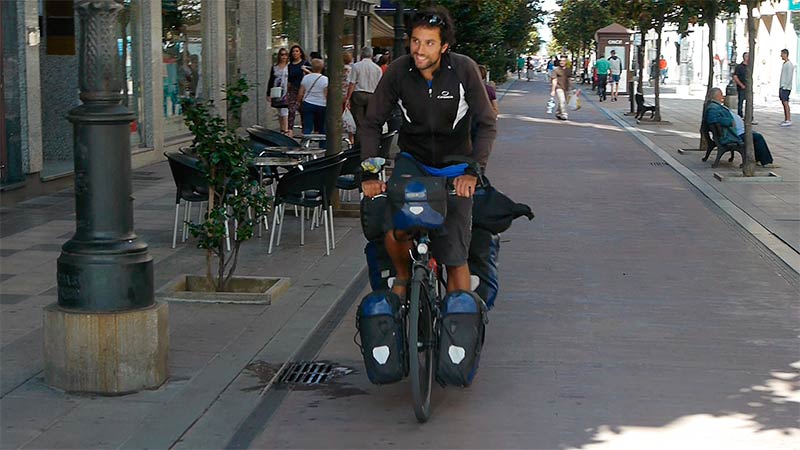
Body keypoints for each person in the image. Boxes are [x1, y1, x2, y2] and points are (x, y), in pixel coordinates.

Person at [360, 6, 497, 298]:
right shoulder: (398, 70)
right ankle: (403, 275)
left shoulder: (463, 70)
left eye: (430, 43)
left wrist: (474, 171)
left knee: (455, 252)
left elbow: (487, 123)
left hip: (455, 167)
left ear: (444, 46)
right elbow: (372, 122)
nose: (419, 50)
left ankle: (456, 323)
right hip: (414, 161)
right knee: (394, 231)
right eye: (416, 41)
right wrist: (371, 172)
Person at [705, 87, 773, 167]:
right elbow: (712, 119)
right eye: (721, 95)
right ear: (715, 96)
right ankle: (766, 162)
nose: (723, 97)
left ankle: (757, 159)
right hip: (733, 134)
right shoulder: (713, 107)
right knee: (758, 137)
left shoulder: (715, 106)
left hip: (736, 131)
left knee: (755, 136)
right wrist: (730, 121)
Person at [344, 46, 383, 144]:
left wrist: (348, 98)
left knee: (359, 123)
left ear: (361, 54)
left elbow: (352, 83)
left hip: (358, 95)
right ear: (372, 55)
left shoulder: (356, 66)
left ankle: (359, 145)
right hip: (372, 95)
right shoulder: (377, 68)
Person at [296, 58, 328, 136]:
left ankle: (305, 144)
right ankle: (322, 146)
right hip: (322, 104)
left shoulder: (306, 78)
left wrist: (298, 102)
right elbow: (326, 94)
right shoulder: (325, 79)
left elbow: (301, 93)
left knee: (307, 127)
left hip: (308, 103)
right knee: (322, 128)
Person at [286, 44, 312, 137]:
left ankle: (304, 131)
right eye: (293, 51)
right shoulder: (290, 66)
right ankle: (290, 130)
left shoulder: (305, 63)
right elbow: (289, 79)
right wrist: (286, 92)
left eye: (297, 51)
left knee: (303, 110)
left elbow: (313, 74)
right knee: (291, 109)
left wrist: (305, 70)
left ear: (300, 53)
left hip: (303, 89)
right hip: (293, 89)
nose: (295, 53)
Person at [267, 48, 290, 134]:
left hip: (287, 91)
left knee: (285, 110)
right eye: (282, 54)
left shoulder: (289, 67)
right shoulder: (275, 67)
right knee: (280, 110)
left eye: (285, 55)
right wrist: (268, 93)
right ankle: (282, 129)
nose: (283, 57)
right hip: (277, 91)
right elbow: (271, 80)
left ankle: (286, 130)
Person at [550, 55, 571, 120]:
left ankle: (558, 113)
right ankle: (564, 114)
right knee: (562, 100)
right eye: (560, 61)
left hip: (566, 87)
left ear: (566, 62)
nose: (562, 62)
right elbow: (554, 80)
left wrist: (571, 88)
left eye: (563, 61)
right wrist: (553, 90)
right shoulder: (556, 70)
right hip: (559, 87)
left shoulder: (568, 69)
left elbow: (569, 78)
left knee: (562, 101)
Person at [732, 52, 752, 120]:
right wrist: (741, 85)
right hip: (741, 87)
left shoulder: (750, 66)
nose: (748, 58)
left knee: (749, 102)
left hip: (749, 87)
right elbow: (735, 76)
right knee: (740, 102)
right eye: (747, 56)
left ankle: (749, 116)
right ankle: (740, 116)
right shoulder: (739, 67)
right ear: (744, 57)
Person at [342, 51, 355, 142]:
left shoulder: (338, 70)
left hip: (339, 96)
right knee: (350, 118)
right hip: (348, 95)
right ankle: (351, 138)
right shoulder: (352, 70)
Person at [779, 48, 794, 127]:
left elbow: (789, 77)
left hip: (786, 88)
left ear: (785, 54)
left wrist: (785, 86)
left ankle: (788, 119)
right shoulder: (784, 64)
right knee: (783, 103)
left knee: (786, 103)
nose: (781, 55)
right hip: (782, 86)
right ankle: (786, 119)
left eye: (782, 54)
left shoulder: (789, 64)